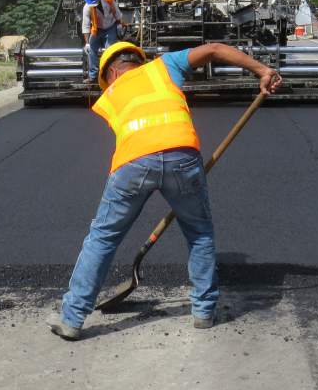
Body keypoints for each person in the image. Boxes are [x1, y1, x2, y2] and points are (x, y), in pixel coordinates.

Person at [48, 41, 282, 341]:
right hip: (183, 157)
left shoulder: (111, 94)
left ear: (112, 73)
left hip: (133, 164)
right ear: (139, 61)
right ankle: (203, 313)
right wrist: (262, 70)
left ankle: (71, 318)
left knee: (103, 237)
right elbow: (213, 49)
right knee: (199, 233)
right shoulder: (164, 67)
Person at [82, 0, 123, 85]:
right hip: (97, 29)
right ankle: (93, 76)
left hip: (111, 27)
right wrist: (87, 43)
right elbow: (86, 26)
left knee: (109, 50)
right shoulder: (87, 8)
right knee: (91, 49)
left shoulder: (109, 0)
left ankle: (109, 75)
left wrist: (119, 25)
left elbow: (116, 12)